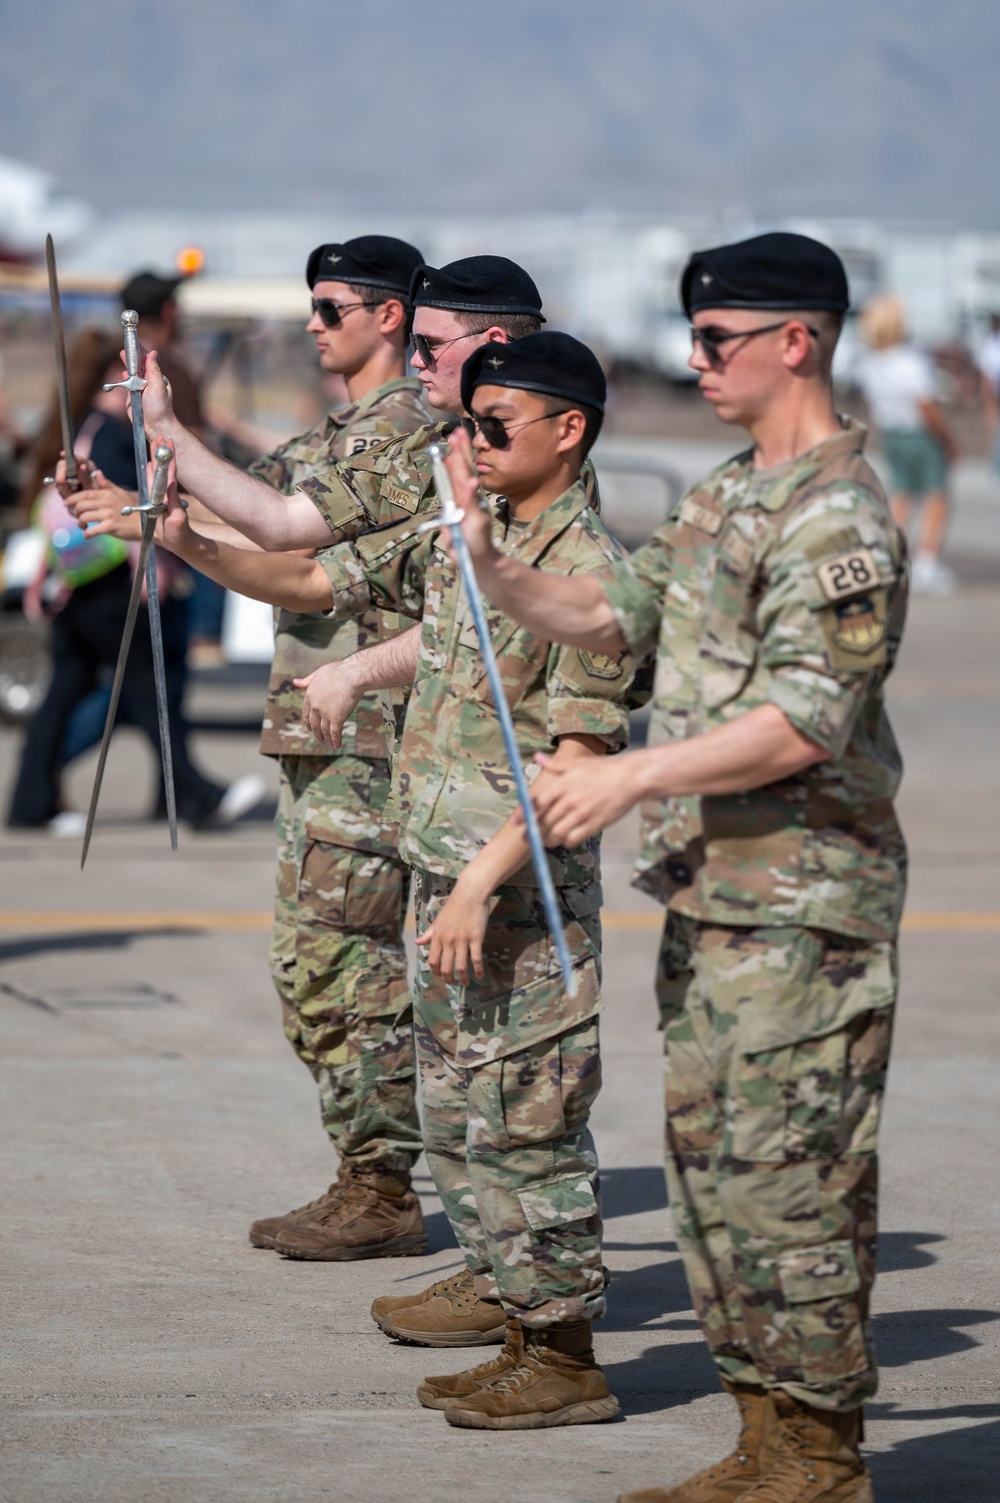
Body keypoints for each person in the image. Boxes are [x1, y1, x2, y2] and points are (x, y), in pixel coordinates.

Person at [425, 234, 906, 1499]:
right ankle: (766, 1440)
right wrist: (497, 571)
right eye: (690, 339)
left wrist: (626, 776)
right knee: (714, 1184)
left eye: (714, 342)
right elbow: (609, 615)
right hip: (714, 897)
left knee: (791, 1185)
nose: (691, 363)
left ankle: (816, 1453)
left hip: (805, 907)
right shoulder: (724, 493)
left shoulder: (835, 515)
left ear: (793, 342)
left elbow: (809, 719)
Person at [7, 329, 260, 834]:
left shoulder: (80, 426)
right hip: (115, 588)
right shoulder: (115, 433)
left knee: (70, 693)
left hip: (80, 584)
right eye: (133, 373)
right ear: (113, 376)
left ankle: (30, 803)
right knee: (151, 691)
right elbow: (137, 504)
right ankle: (192, 794)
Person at [857, 292, 957, 595]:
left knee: (902, 495)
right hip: (919, 434)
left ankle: (891, 556)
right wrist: (949, 440)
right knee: (937, 497)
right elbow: (926, 405)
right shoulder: (909, 360)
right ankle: (927, 562)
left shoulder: (870, 363)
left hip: (892, 434)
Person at [977, 311, 1000, 475]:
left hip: (995, 386)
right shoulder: (991, 343)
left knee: (992, 421)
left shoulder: (991, 343)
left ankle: (991, 456)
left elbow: (988, 373)